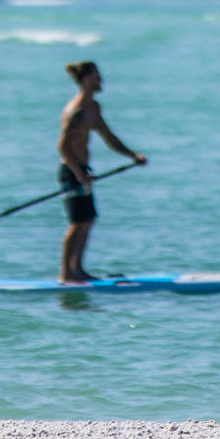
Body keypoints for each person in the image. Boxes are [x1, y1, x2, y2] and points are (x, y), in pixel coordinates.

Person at [55, 60, 146, 284]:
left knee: (87, 220)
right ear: (86, 80)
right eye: (97, 77)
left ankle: (78, 269)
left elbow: (108, 136)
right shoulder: (75, 111)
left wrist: (132, 155)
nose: (101, 81)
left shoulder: (93, 108)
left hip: (83, 170)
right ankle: (65, 274)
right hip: (71, 171)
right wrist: (78, 173)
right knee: (77, 222)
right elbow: (63, 147)